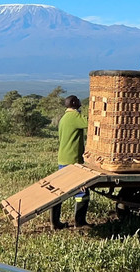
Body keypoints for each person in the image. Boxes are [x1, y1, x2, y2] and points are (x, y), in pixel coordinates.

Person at [51, 94, 91, 230]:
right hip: (72, 160)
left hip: (63, 158)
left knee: (60, 191)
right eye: (78, 100)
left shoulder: (64, 118)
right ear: (74, 103)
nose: (80, 102)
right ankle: (80, 222)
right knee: (82, 192)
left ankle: (55, 222)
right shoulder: (74, 116)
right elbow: (90, 123)